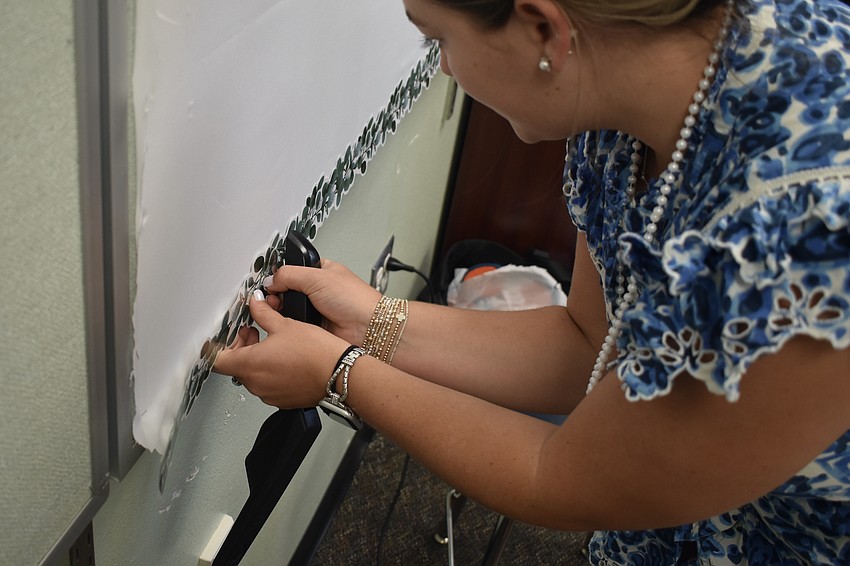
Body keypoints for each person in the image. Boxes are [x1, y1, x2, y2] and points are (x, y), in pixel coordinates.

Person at [214, 0, 850, 563]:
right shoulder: (626, 99)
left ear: (545, 28)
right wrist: (376, 319)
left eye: (437, 40)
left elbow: (564, 476)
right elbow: (586, 346)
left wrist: (340, 370)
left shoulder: (805, 229)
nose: (442, 69)